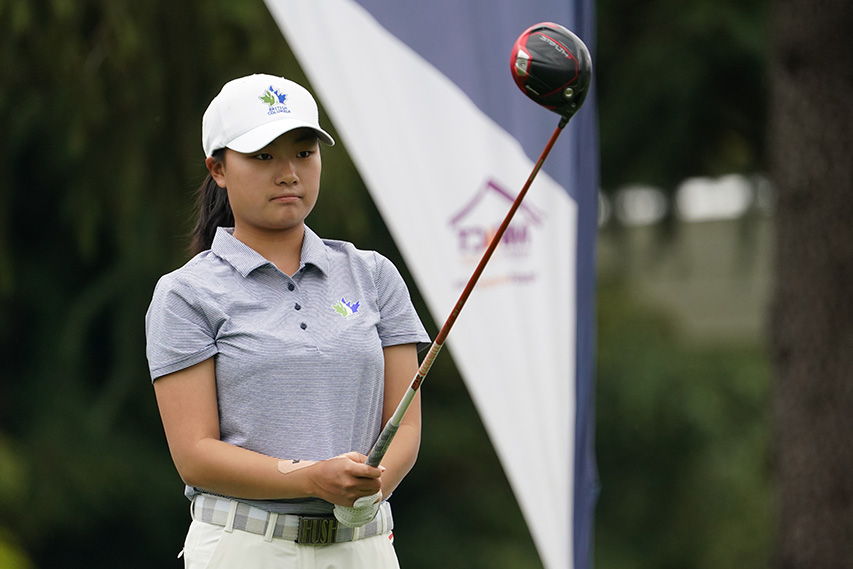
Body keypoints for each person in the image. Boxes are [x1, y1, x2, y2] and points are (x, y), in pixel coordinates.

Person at [145, 73, 429, 568]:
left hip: (363, 548)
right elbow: (195, 454)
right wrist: (308, 477)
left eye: (303, 153)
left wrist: (372, 482)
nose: (289, 173)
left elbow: (403, 425)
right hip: (244, 547)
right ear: (218, 169)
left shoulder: (374, 275)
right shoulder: (186, 294)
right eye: (262, 156)